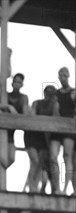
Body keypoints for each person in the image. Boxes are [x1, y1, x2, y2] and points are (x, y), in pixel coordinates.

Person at [0, 73, 29, 187]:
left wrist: (13, 110)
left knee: (11, 158)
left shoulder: (23, 98)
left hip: (10, 132)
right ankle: (1, 186)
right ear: (12, 83)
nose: (17, 83)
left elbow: (24, 115)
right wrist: (7, 106)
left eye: (19, 82)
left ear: (22, 84)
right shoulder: (5, 94)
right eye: (15, 81)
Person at [24, 86, 60, 194]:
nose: (49, 96)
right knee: (35, 161)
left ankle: (39, 186)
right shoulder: (37, 103)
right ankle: (31, 187)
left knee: (41, 163)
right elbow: (32, 116)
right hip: (31, 135)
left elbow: (55, 120)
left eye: (52, 94)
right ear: (44, 93)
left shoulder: (54, 106)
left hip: (43, 138)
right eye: (48, 93)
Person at [50, 67, 75, 195]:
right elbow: (54, 110)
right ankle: (57, 188)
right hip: (56, 127)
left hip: (69, 128)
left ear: (68, 76)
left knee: (67, 157)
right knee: (53, 156)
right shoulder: (56, 94)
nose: (63, 77)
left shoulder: (73, 92)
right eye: (61, 75)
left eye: (65, 75)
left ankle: (65, 189)